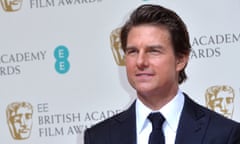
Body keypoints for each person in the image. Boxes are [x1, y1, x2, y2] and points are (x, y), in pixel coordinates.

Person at [84, 4, 240, 144]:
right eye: (133, 51)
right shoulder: (99, 137)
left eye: (153, 51)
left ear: (180, 59)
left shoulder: (224, 135)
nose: (140, 61)